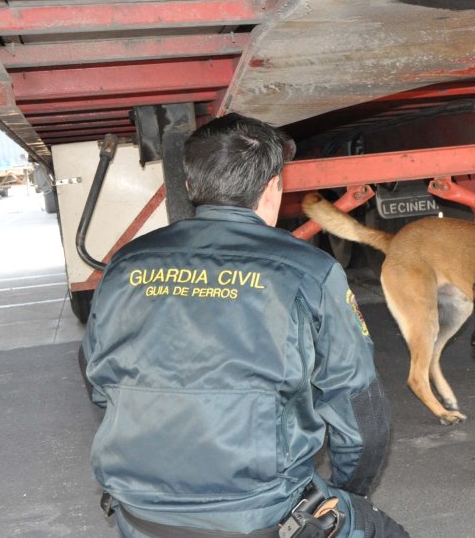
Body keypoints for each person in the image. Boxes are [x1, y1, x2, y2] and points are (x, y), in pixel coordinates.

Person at [80, 114, 409, 538]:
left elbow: (96, 379)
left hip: (139, 515)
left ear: (189, 187)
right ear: (274, 187)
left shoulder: (125, 264)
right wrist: (345, 495)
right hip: (261, 518)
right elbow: (361, 416)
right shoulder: (309, 271)